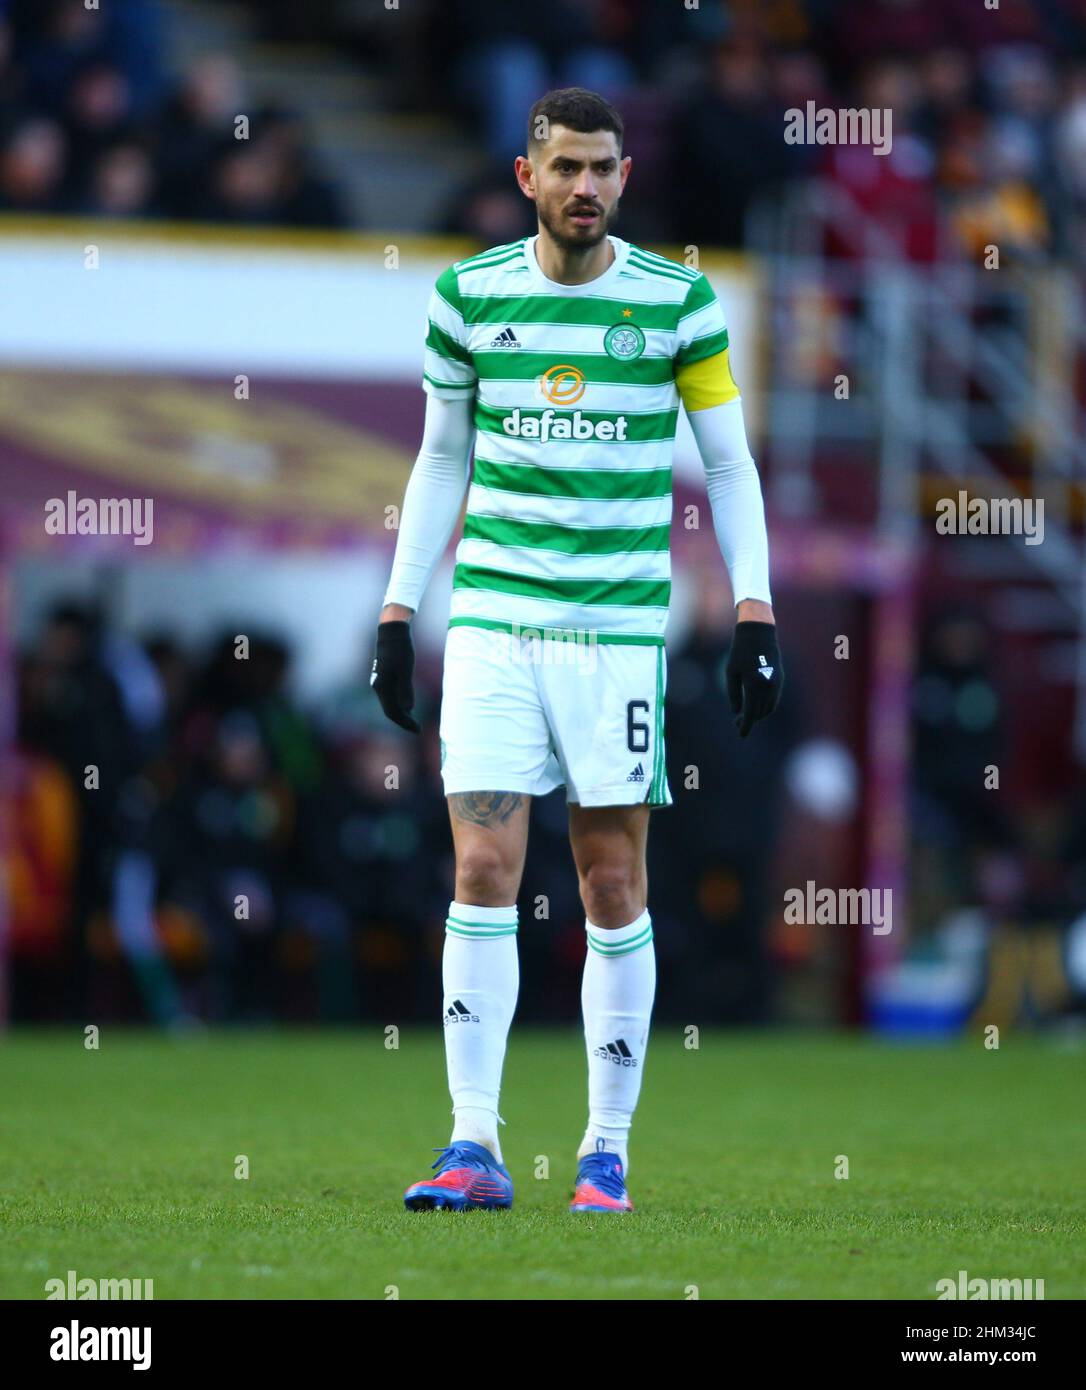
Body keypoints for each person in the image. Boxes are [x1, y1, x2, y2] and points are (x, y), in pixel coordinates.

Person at [370, 87, 783, 1214]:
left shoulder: (679, 304)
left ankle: (605, 1151)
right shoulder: (467, 299)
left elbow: (732, 467)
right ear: (527, 177)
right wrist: (401, 612)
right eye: (566, 169)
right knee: (481, 869)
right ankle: (473, 1145)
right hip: (496, 627)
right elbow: (441, 457)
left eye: (604, 169)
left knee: (610, 881)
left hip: (615, 636)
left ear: (624, 177)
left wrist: (755, 609)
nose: (586, 187)